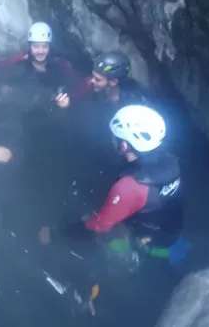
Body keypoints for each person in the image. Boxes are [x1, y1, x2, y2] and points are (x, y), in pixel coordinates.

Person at [62, 104, 190, 265]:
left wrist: (59, 233)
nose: (111, 139)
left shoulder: (129, 186)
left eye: (114, 137)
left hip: (149, 235)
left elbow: (100, 226)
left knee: (98, 231)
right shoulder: (169, 159)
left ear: (124, 146)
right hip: (171, 225)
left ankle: (135, 253)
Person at [0, 22, 80, 91]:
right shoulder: (20, 59)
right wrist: (4, 86)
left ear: (50, 47)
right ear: (30, 46)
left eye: (44, 46)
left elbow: (76, 84)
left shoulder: (60, 64)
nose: (41, 51)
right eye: (36, 46)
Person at [54, 51, 152, 110]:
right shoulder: (89, 85)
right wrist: (68, 104)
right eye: (93, 76)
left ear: (113, 82)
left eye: (98, 79)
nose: (92, 81)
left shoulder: (134, 102)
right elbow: (78, 100)